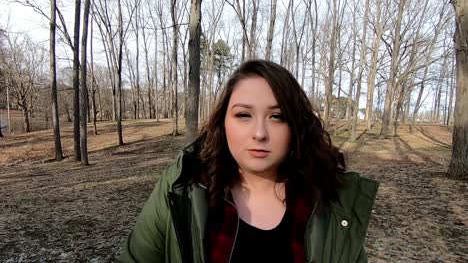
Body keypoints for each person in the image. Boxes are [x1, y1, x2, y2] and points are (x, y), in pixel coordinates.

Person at [118, 59, 379, 263]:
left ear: (296, 127)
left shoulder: (331, 204)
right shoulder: (183, 187)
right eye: (244, 115)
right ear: (223, 123)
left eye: (277, 117)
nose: (259, 133)